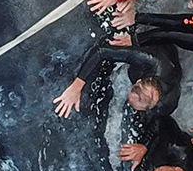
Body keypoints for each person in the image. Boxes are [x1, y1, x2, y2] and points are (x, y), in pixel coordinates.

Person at [53, 33, 181, 118]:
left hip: (171, 60)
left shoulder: (166, 105)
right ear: (138, 82)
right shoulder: (150, 60)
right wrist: (76, 86)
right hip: (155, 46)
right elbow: (100, 52)